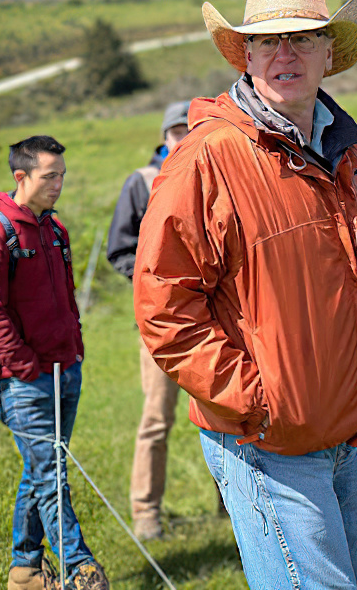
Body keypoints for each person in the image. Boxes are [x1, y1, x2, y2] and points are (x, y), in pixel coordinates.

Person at [132, 0, 357, 589]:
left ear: (328, 52)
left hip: (346, 433)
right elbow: (163, 306)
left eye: (302, 37)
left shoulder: (347, 148)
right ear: (248, 54)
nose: (285, 53)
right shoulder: (206, 158)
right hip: (272, 444)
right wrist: (260, 399)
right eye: (268, 41)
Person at [0, 136, 108, 590]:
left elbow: (67, 297)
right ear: (21, 177)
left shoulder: (55, 230)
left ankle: (25, 570)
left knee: (41, 468)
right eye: (50, 176)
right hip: (23, 381)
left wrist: (75, 348)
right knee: (51, 474)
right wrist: (24, 366)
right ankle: (79, 567)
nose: (59, 185)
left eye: (62, 175)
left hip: (66, 370)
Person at [106, 101, 201, 541]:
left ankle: (233, 501)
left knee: (225, 414)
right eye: (176, 131)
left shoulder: (212, 174)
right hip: (160, 325)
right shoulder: (141, 183)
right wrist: (153, 281)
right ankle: (147, 514)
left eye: (191, 129)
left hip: (213, 321)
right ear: (164, 137)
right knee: (157, 419)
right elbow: (120, 249)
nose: (183, 138)